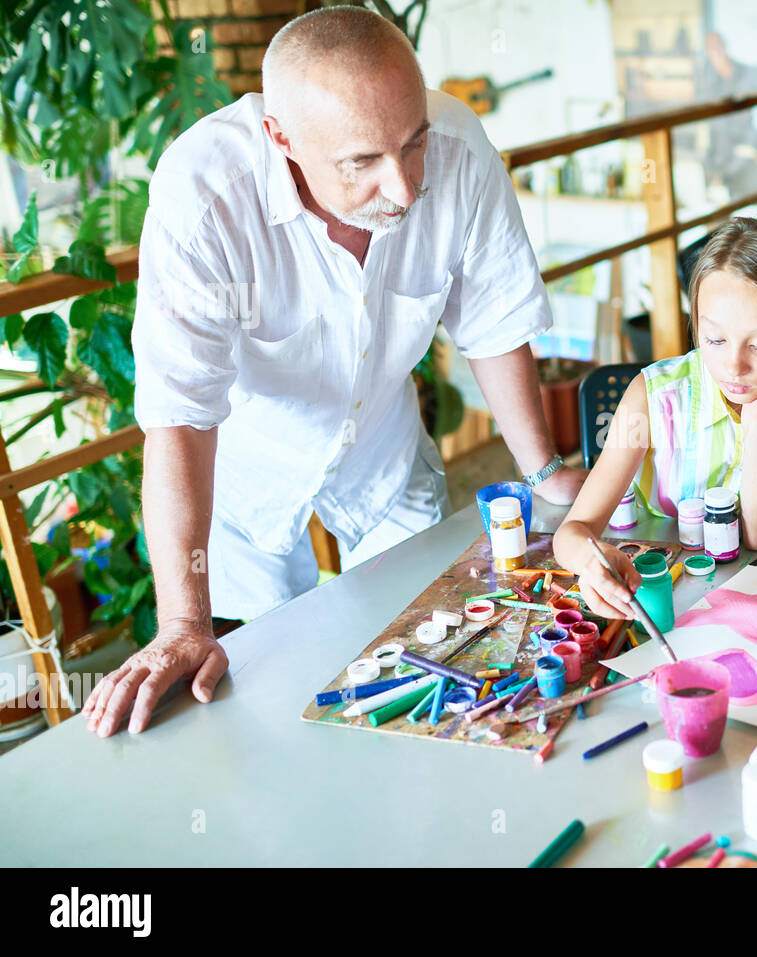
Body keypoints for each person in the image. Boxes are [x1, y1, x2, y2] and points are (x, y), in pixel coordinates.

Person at [83, 7, 583, 737]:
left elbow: (494, 321)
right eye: (363, 162)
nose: (406, 188)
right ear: (282, 139)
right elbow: (180, 413)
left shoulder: (458, 147)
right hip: (246, 475)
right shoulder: (206, 197)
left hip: (383, 449)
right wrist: (181, 621)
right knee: (256, 700)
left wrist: (545, 473)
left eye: (411, 145)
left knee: (434, 649)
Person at [554, 218, 757, 619]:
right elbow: (573, 532)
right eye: (714, 340)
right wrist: (592, 563)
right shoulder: (652, 398)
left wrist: (756, 421)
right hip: (656, 587)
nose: (734, 366)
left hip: (756, 594)